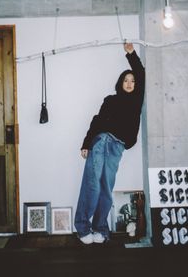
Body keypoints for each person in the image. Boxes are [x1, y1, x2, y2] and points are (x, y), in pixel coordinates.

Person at [74, 42, 145, 244]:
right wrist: (86, 143)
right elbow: (96, 122)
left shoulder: (136, 100)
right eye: (126, 80)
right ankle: (82, 227)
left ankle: (100, 228)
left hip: (117, 146)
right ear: (120, 83)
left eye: (132, 81)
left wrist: (131, 54)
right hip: (101, 141)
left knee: (106, 188)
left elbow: (141, 73)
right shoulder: (110, 100)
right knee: (92, 185)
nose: (130, 83)